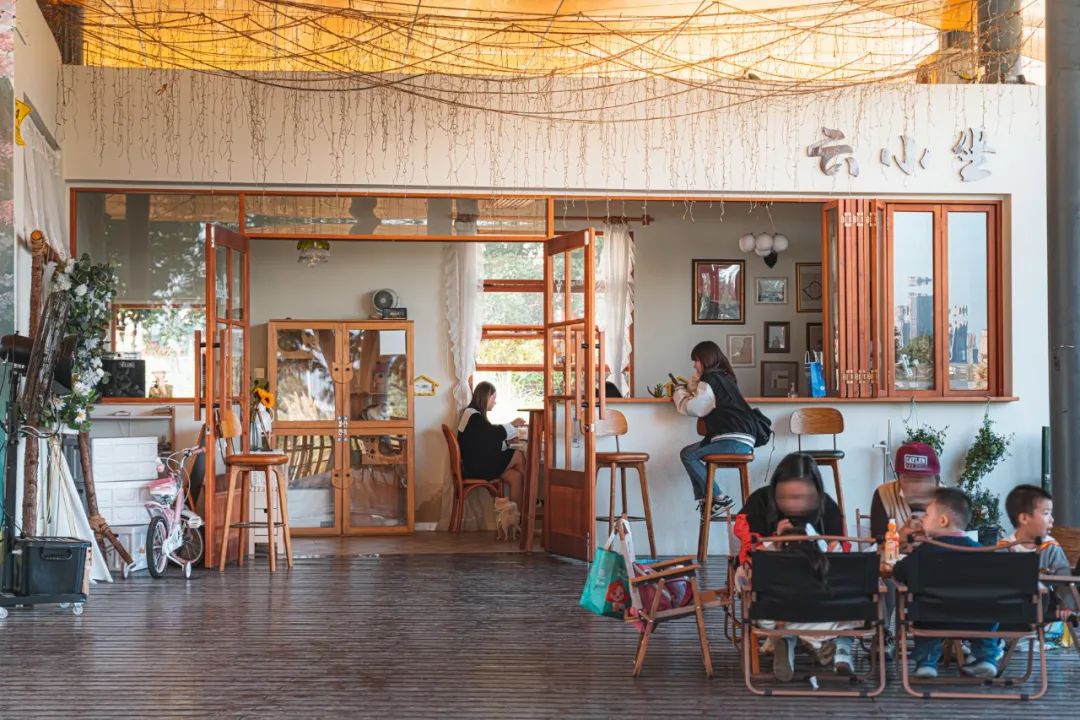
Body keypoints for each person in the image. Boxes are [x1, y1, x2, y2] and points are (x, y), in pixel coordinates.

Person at [735, 453, 851, 679]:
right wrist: (776, 540)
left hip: (815, 583)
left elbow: (841, 550)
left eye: (802, 496)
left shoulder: (827, 506)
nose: (794, 504)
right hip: (773, 584)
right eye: (786, 496)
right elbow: (749, 550)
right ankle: (811, 640)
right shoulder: (760, 502)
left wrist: (826, 547)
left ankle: (786, 637)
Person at [892, 487, 999, 679]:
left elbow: (900, 572)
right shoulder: (982, 552)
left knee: (923, 609)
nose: (923, 519)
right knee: (989, 609)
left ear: (942, 521)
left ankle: (926, 662)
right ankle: (986, 658)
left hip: (932, 617)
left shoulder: (924, 552)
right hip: (976, 620)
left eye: (927, 515)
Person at [673, 340, 758, 517]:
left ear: (706, 359)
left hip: (733, 440)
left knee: (689, 456)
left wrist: (678, 392)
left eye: (696, 360)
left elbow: (695, 408)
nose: (694, 365)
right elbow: (702, 396)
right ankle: (708, 500)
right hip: (743, 440)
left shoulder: (711, 379)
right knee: (687, 452)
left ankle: (719, 498)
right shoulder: (725, 377)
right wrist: (696, 380)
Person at [999, 485, 1078, 618]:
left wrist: (1066, 607)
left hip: (1048, 614)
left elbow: (1065, 584)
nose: (1052, 520)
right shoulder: (1003, 549)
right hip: (1013, 615)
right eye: (1046, 513)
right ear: (1024, 518)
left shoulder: (1051, 547)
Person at [457, 382, 526, 509]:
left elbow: (485, 442)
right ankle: (530, 496)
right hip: (476, 467)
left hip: (473, 465)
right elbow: (492, 435)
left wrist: (507, 442)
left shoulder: (470, 414)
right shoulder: (474, 416)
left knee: (515, 477)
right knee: (518, 455)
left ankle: (517, 518)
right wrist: (512, 424)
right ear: (487, 396)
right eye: (494, 398)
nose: (495, 402)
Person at [869, 441, 941, 542]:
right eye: (910, 479)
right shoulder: (883, 494)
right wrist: (899, 538)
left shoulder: (949, 499)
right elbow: (877, 545)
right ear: (899, 479)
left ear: (936, 480)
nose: (918, 487)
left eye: (924, 479)